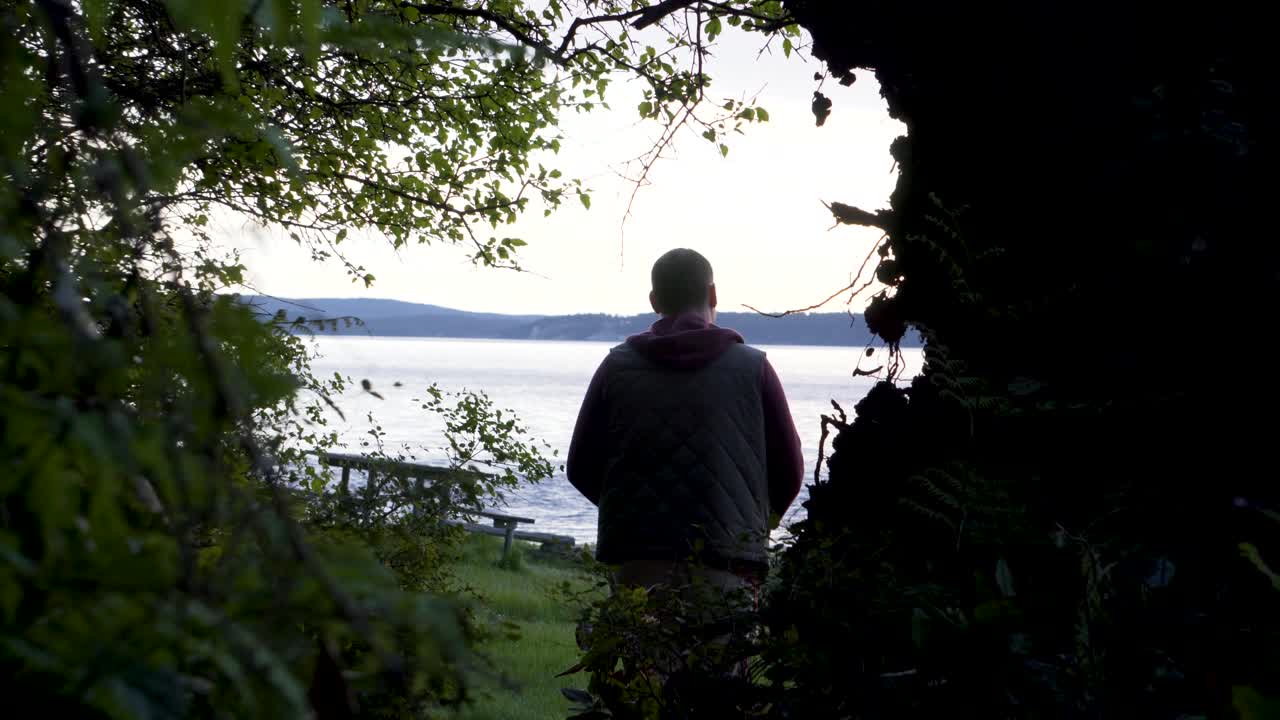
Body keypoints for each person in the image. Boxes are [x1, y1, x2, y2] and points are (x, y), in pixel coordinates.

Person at [566, 248, 804, 673]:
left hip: (637, 562)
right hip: (728, 564)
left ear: (655, 301)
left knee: (645, 693)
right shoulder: (754, 369)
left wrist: (632, 511)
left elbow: (580, 466)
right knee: (721, 695)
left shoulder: (616, 368)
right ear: (713, 293)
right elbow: (790, 470)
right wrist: (753, 524)